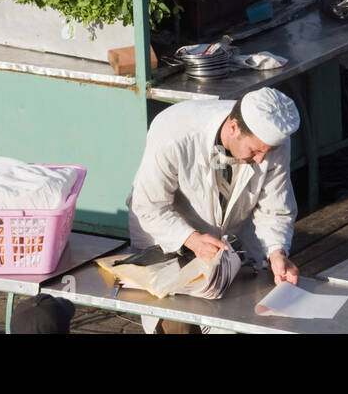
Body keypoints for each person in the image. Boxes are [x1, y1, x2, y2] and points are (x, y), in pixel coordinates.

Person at [127, 88, 301, 333]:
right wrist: (191, 239)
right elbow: (149, 205)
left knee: (237, 320)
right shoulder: (173, 131)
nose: (262, 159)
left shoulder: (273, 145)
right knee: (176, 323)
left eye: (266, 152)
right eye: (255, 151)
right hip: (166, 235)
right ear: (233, 128)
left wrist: (277, 253)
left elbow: (275, 208)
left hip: (231, 248)